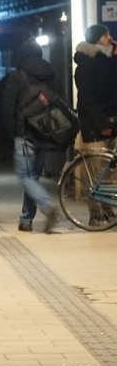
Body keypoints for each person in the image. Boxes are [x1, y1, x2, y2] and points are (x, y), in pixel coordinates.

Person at [1, 38, 61, 233]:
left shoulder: (17, 76)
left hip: (24, 135)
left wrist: (13, 134)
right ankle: (26, 219)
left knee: (25, 177)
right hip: (44, 133)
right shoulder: (49, 74)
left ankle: (47, 205)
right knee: (33, 177)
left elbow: (8, 107)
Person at [73, 25, 117, 226]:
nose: (110, 37)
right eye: (105, 35)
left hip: (112, 123)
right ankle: (95, 213)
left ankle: (107, 209)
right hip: (95, 127)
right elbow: (87, 100)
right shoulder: (86, 65)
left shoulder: (107, 61)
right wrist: (101, 124)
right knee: (96, 172)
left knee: (109, 172)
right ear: (96, 39)